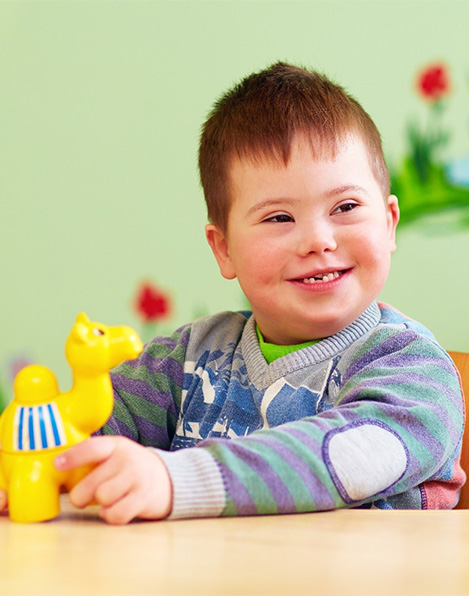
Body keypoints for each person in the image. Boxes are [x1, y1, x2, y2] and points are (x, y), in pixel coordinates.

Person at [2, 62, 465, 524]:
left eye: (345, 207)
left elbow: (342, 458)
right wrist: (24, 467)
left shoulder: (415, 373)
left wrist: (178, 479)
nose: (318, 240)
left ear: (388, 224)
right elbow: (86, 436)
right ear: (224, 250)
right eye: (279, 218)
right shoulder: (184, 361)